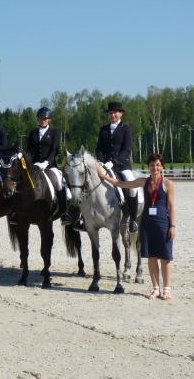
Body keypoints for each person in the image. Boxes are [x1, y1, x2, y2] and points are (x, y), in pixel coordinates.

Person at [97, 153, 175, 301]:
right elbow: (120, 183)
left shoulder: (168, 184)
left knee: (165, 258)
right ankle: (156, 289)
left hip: (163, 223)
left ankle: (167, 290)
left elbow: (171, 207)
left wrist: (172, 225)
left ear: (162, 167)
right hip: (147, 223)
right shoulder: (143, 182)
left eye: (157, 165)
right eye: (152, 165)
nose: (155, 168)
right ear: (148, 167)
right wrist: (103, 176)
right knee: (151, 258)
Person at [78, 101, 138, 232]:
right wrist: (100, 161)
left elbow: (127, 149)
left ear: (120, 113)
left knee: (132, 189)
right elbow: (99, 148)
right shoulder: (103, 129)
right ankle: (82, 218)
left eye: (115, 112)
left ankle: (133, 220)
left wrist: (114, 162)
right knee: (85, 183)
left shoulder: (126, 129)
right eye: (111, 113)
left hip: (121, 165)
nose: (113, 115)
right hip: (104, 165)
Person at [9, 107, 70, 225]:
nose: (43, 120)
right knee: (19, 180)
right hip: (35, 165)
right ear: (38, 119)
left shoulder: (54, 132)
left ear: (49, 120)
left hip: (50, 165)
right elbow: (29, 151)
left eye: (45, 118)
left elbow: (54, 150)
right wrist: (27, 161)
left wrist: (47, 162)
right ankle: (15, 211)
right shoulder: (33, 133)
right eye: (41, 118)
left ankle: (64, 213)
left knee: (60, 180)